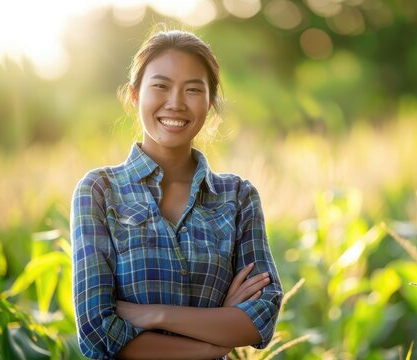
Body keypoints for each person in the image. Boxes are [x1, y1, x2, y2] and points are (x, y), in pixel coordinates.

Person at [70, 29, 283, 359]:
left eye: (193, 89)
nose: (176, 103)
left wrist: (155, 315)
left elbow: (262, 319)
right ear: (134, 95)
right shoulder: (99, 192)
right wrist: (215, 342)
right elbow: (98, 332)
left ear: (210, 102)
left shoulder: (238, 197)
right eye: (161, 86)